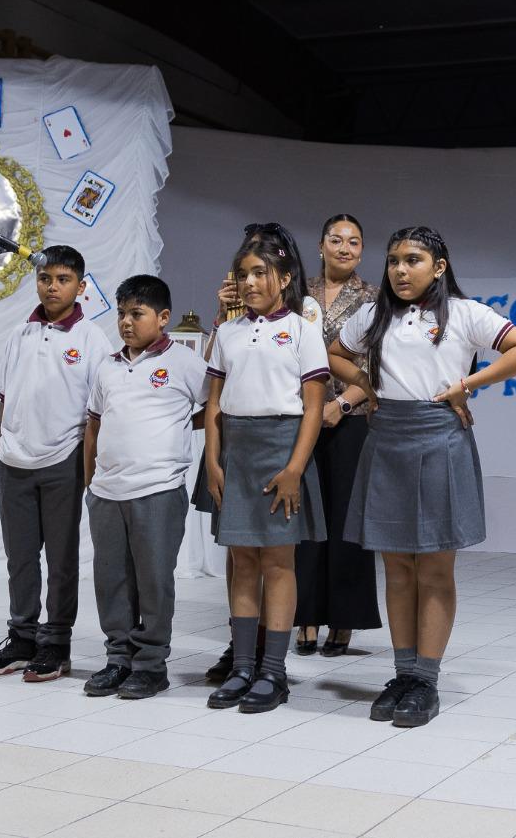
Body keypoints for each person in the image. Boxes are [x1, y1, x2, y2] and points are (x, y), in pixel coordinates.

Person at [330, 226, 516, 727]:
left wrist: (465, 384)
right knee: (398, 567)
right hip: (386, 438)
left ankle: (425, 678)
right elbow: (335, 354)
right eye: (393, 261)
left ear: (439, 266)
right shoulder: (375, 313)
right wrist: (367, 383)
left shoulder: (465, 314)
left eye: (413, 260)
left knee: (434, 568)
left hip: (438, 437)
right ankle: (402, 673)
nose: (400, 271)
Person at [204, 226, 330, 713]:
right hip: (236, 450)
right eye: (244, 274)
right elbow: (214, 403)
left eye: (261, 273)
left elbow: (314, 407)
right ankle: (240, 667)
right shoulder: (228, 333)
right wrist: (214, 461)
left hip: (282, 448)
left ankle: (273, 671)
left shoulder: (301, 328)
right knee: (242, 563)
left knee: (278, 562)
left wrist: (295, 468)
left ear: (283, 278)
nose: (252, 282)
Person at [0, 247, 112, 681]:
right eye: (45, 278)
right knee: (19, 555)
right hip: (13, 458)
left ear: (81, 286)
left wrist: (88, 466)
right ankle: (21, 637)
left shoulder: (92, 339)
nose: (52, 286)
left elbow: (99, 410)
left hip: (63, 459)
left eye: (63, 279)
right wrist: (2, 444)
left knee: (60, 558)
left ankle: (55, 642)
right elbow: (6, 395)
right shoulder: (20, 334)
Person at [82, 275, 206, 700]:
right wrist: (90, 484)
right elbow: (94, 426)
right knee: (111, 579)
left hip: (158, 489)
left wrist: (174, 429)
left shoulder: (186, 363)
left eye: (137, 313)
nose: (126, 322)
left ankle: (151, 664)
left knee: (153, 579)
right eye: (121, 314)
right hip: (107, 492)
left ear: (163, 317)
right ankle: (118, 658)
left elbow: (214, 410)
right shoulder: (108, 367)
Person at [297, 214, 381, 657]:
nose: (344, 248)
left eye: (353, 241)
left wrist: (343, 402)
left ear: (362, 251)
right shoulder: (296, 293)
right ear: (321, 244)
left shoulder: (376, 297)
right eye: (336, 239)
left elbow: (377, 365)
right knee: (305, 517)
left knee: (347, 518)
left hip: (351, 418)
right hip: (299, 416)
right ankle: (305, 616)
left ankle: (344, 620)